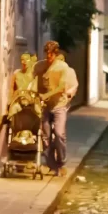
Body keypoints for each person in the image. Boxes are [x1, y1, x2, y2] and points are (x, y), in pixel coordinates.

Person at [37, 41, 71, 176]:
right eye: (47, 55)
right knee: (45, 137)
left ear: (56, 55)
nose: (48, 58)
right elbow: (31, 75)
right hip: (45, 106)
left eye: (51, 55)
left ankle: (61, 162)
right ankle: (51, 165)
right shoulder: (41, 65)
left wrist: (47, 95)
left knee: (59, 134)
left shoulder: (63, 67)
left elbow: (61, 87)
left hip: (59, 105)